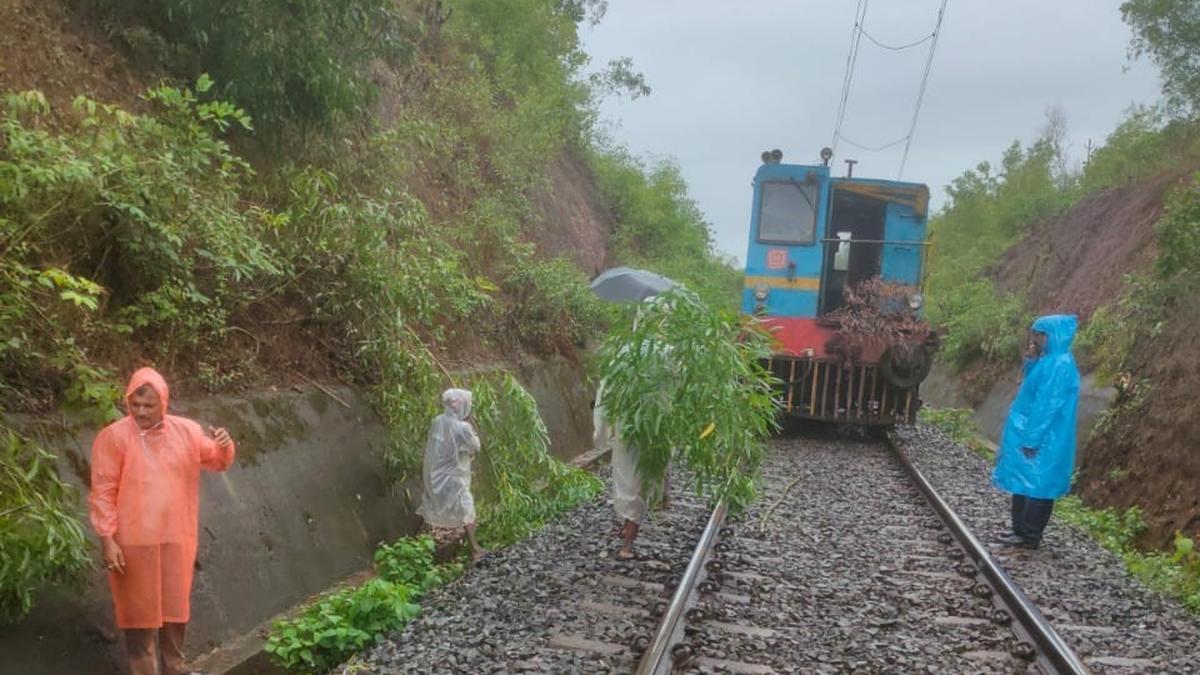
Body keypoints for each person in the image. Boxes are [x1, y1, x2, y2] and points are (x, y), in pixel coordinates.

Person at [89, 367, 236, 675]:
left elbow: (217, 461)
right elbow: (103, 491)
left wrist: (224, 443)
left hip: (176, 541)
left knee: (174, 616)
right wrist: (107, 539)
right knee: (139, 624)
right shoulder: (113, 437)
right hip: (132, 545)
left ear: (164, 403)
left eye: (149, 405)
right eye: (135, 404)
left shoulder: (187, 432)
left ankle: (176, 669)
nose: (140, 411)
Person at [992, 315, 1080, 550]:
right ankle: (1020, 530)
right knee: (1025, 482)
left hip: (1045, 437)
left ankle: (1029, 534)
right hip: (1036, 434)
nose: (1035, 339)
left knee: (1039, 487)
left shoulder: (1060, 364)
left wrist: (1032, 438)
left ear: (1052, 336)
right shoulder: (1050, 360)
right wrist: (1031, 362)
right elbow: (1035, 388)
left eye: (1039, 334)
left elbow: (1046, 405)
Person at [417, 388, 486, 562]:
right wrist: (470, 426)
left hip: (435, 475)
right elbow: (476, 446)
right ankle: (475, 549)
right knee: (465, 507)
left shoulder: (438, 421)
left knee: (435, 508)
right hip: (454, 477)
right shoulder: (462, 427)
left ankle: (420, 550)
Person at [593, 380, 648, 560]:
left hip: (633, 432)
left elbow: (605, 396)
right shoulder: (662, 356)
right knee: (637, 484)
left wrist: (601, 434)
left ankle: (628, 535)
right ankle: (627, 539)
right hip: (645, 432)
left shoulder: (620, 359)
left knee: (631, 483)